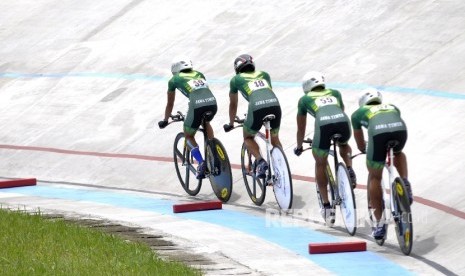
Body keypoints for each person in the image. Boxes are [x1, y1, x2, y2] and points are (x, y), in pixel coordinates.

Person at [293, 71, 357, 226]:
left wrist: (300, 146)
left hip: (323, 127)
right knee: (343, 143)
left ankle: (327, 205)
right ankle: (349, 168)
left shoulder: (304, 100)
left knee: (320, 162)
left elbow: (301, 127)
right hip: (343, 123)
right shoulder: (335, 93)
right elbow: (339, 110)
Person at [351, 87, 412, 240]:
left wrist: (364, 148)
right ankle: (404, 181)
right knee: (397, 152)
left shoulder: (358, 114)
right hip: (400, 130)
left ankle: (379, 224)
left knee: (374, 177)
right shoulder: (392, 107)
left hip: (378, 135)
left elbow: (359, 142)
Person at [158, 57, 217, 179]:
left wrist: (165, 120)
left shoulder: (174, 80)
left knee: (189, 135)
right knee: (205, 122)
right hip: (212, 103)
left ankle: (201, 163)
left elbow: (170, 103)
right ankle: (213, 150)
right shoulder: (199, 74)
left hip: (196, 105)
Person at [223, 54, 282, 178]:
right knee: (275, 138)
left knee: (248, 137)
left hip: (256, 108)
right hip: (275, 105)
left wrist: (231, 123)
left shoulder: (236, 79)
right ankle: (283, 167)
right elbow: (266, 93)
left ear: (237, 69)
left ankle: (260, 161)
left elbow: (233, 104)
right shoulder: (265, 75)